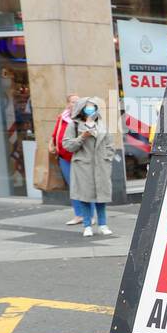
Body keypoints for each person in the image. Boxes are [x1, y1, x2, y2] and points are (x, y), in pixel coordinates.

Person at [61, 98, 115, 237]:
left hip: (101, 165)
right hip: (83, 166)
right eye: (88, 108)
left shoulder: (102, 125)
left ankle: (103, 224)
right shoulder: (74, 125)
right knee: (84, 196)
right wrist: (82, 137)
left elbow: (110, 144)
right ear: (82, 109)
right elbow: (67, 145)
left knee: (101, 197)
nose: (91, 110)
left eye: (93, 107)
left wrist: (107, 158)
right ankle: (87, 226)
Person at [50, 94, 84, 226]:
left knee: (84, 187)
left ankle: (90, 215)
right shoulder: (62, 117)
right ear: (68, 104)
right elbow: (55, 134)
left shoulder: (84, 118)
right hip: (64, 158)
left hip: (79, 158)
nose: (75, 104)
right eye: (73, 102)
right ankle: (78, 215)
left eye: (78, 102)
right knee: (73, 187)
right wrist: (51, 145)